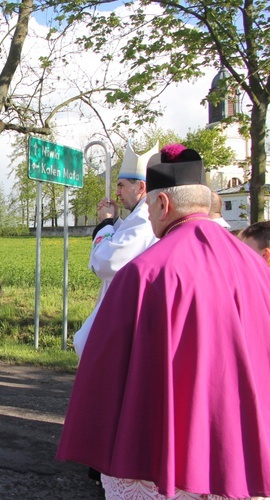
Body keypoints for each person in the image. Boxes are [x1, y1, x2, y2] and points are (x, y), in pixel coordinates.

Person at [57, 144, 270, 499]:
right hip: (240, 439)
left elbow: (109, 363)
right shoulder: (256, 268)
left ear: (162, 204)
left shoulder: (147, 273)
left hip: (171, 440)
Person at [73, 142, 159, 358]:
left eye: (121, 186)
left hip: (129, 308)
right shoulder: (140, 216)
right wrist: (115, 221)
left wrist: (106, 223)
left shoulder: (145, 217)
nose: (118, 192)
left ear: (141, 187)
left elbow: (108, 261)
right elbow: (125, 241)